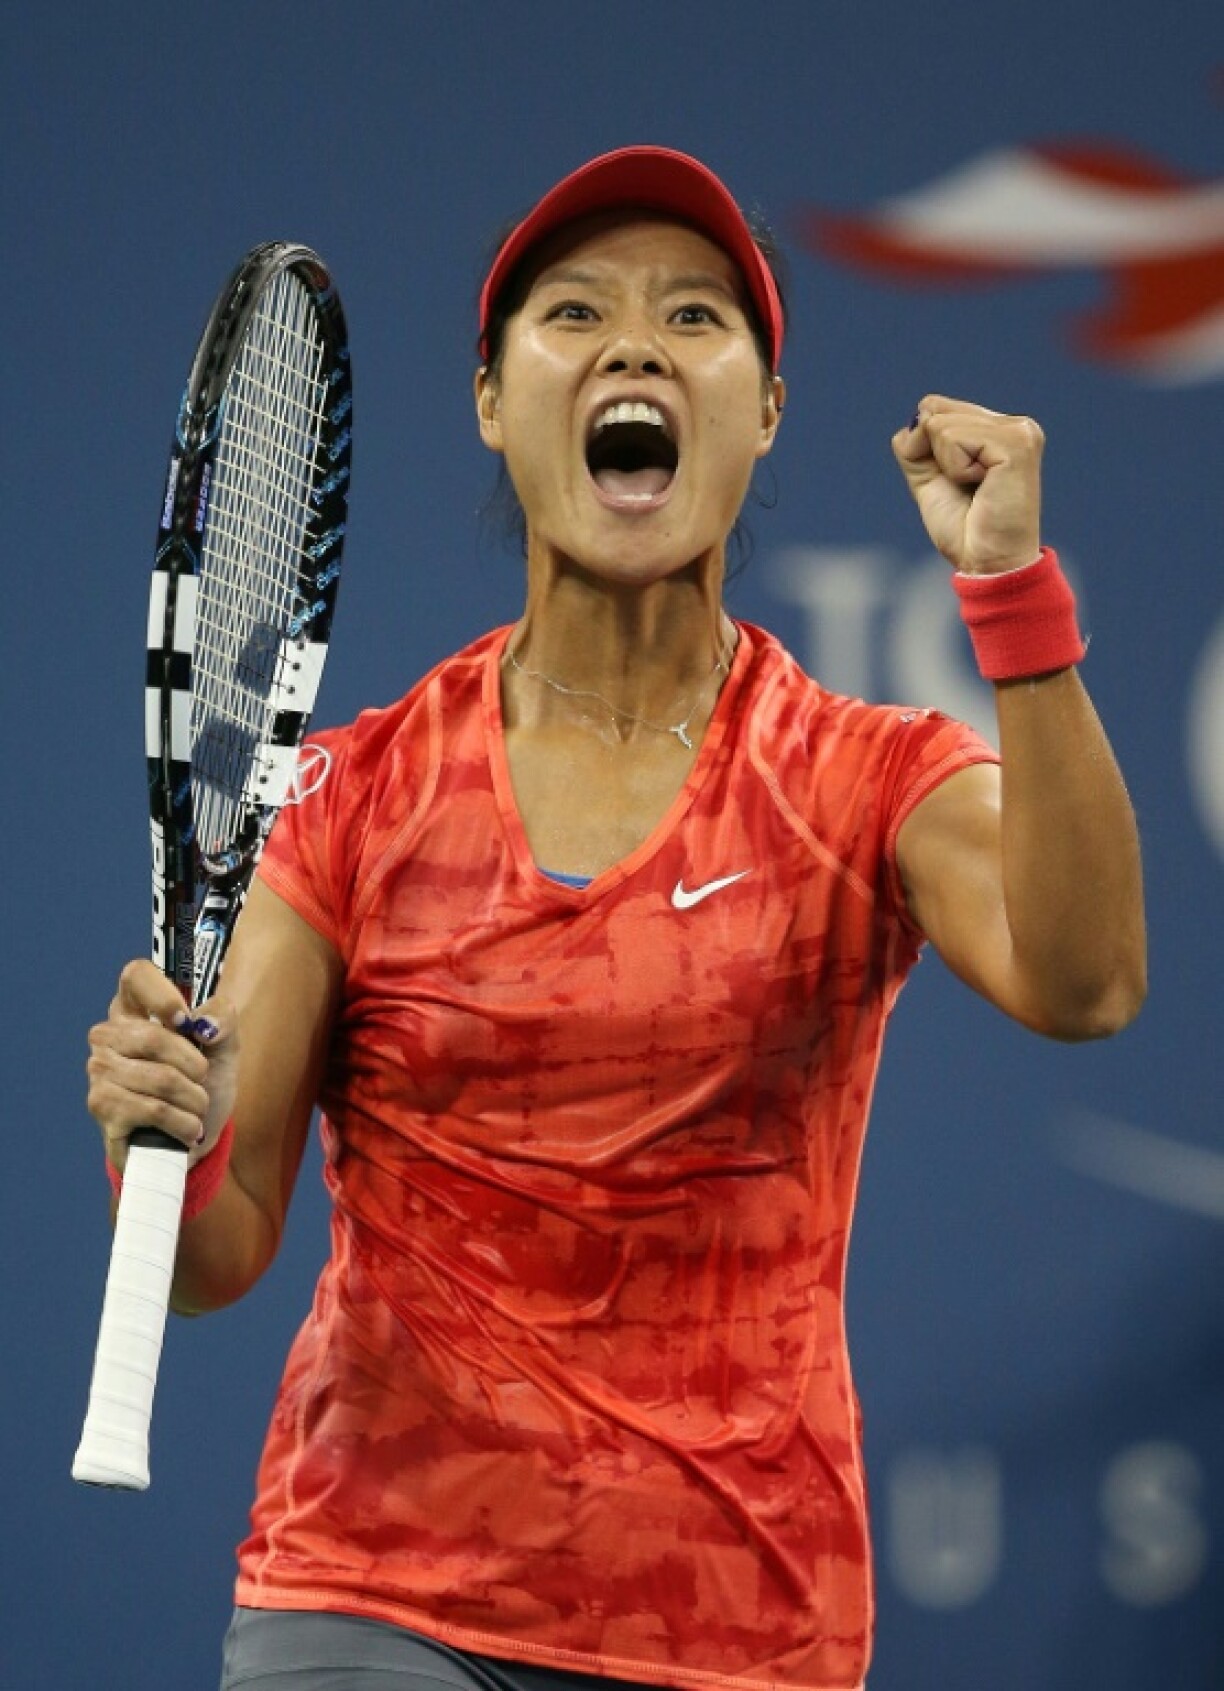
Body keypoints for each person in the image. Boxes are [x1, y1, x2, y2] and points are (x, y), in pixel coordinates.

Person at [86, 147, 1146, 1691]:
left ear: (765, 413)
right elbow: (221, 1240)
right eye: (574, 312)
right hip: (372, 1601)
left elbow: (1089, 976)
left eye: (695, 318)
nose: (636, 346)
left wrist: (1015, 599)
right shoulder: (355, 794)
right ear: (493, 404)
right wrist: (153, 1144)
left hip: (740, 1630)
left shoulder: (860, 778)